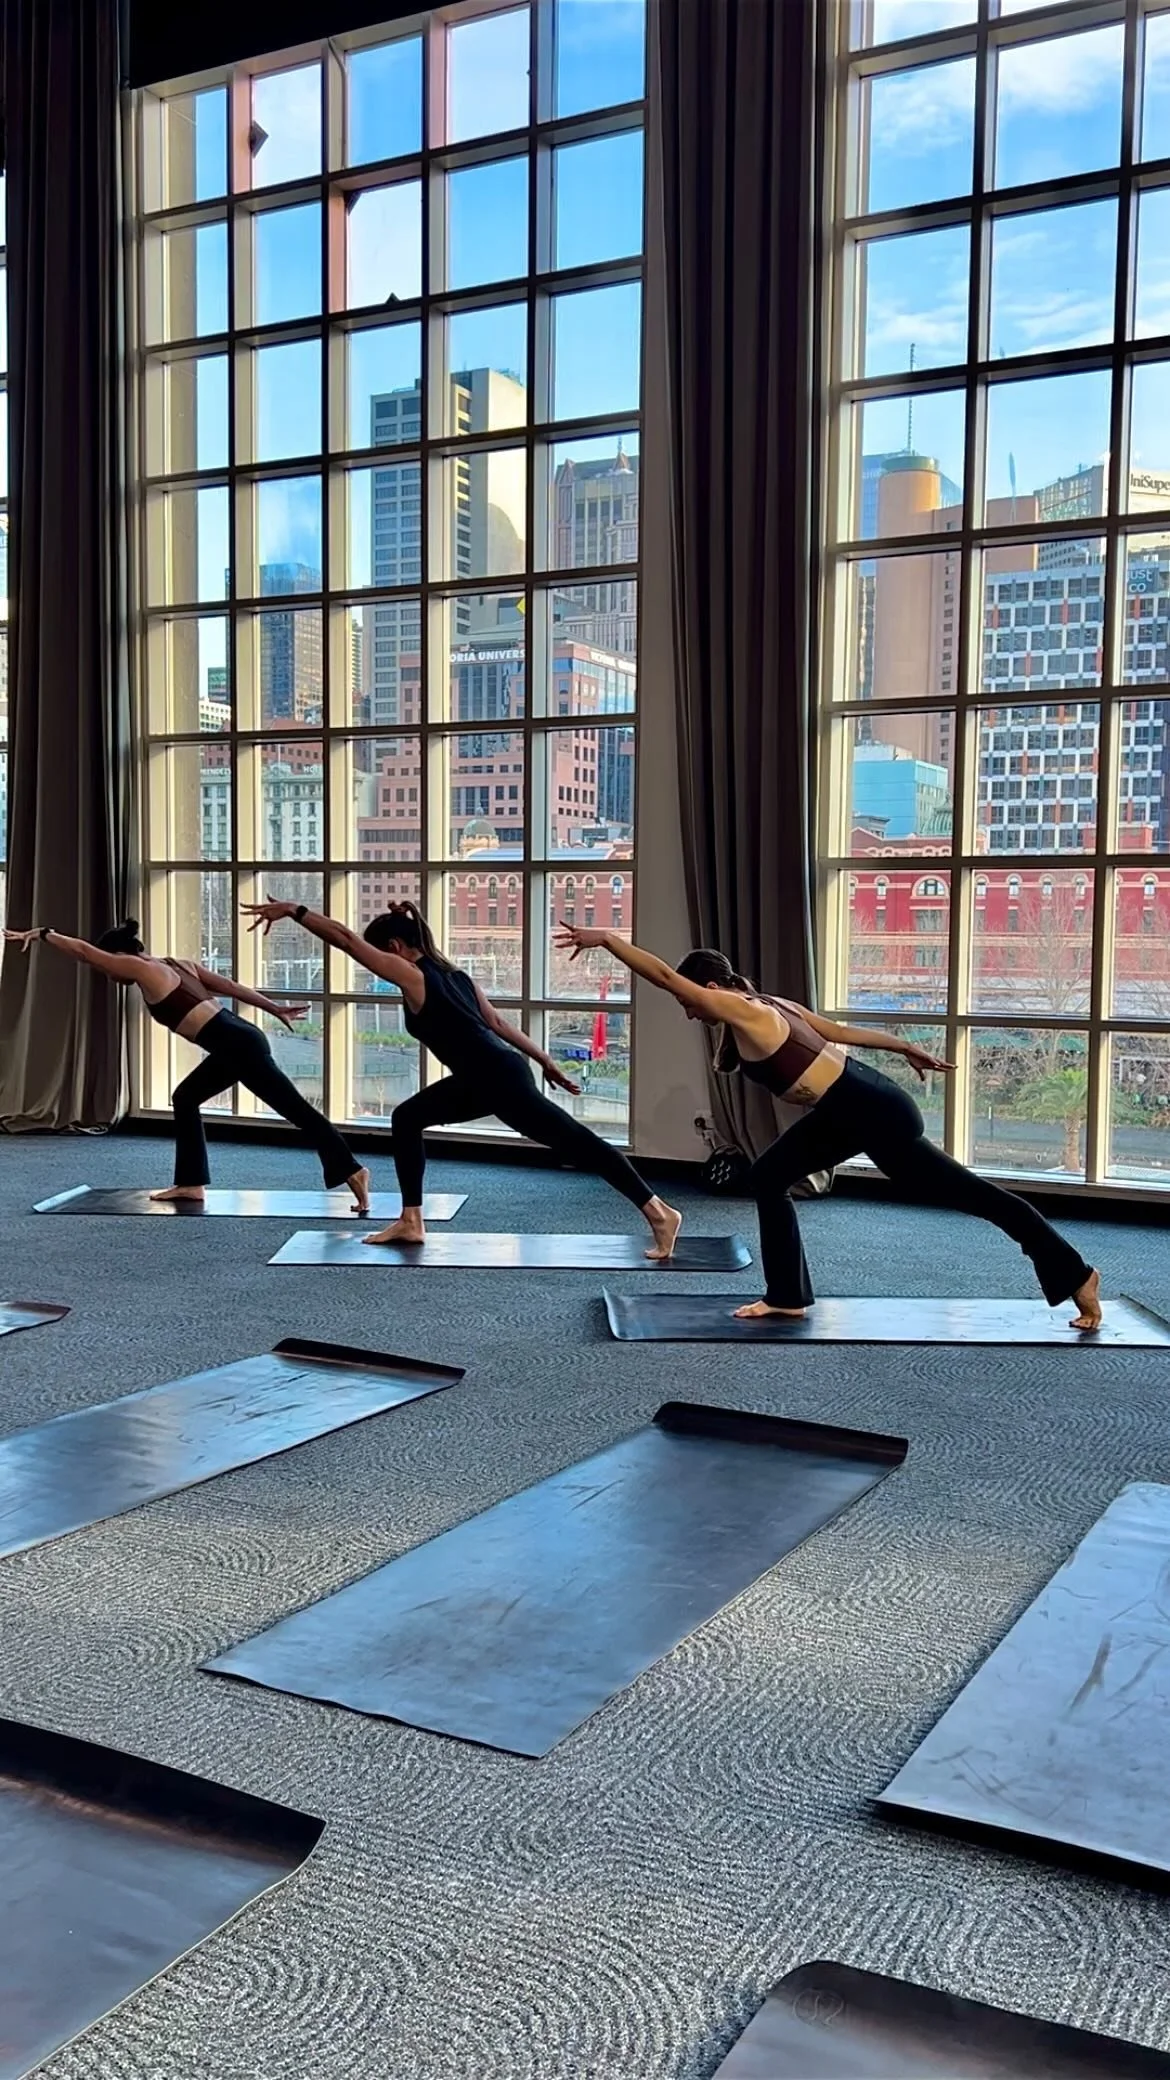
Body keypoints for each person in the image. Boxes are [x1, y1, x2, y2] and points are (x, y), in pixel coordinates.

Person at [553, 924, 1103, 1332]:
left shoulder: (743, 1009)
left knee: (972, 1196)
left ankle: (1076, 1275)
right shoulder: (770, 1003)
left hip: (872, 1112)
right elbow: (839, 1030)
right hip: (852, 1106)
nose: (688, 1010)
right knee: (768, 1178)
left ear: (712, 986)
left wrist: (607, 941)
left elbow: (665, 975)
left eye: (689, 1000)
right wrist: (905, 1046)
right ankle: (787, 1295)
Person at [242, 895, 682, 1257]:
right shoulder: (457, 976)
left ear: (395, 947)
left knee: (578, 1144)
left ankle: (659, 1212)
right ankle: (411, 1220)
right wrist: (545, 1060)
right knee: (407, 1118)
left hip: (495, 1078)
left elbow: (344, 939)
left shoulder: (412, 976)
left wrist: (296, 912)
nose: (376, 962)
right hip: (492, 1074)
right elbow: (500, 1026)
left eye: (381, 954)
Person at [2, 920, 370, 1211]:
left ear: (119, 954)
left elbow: (84, 953)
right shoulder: (177, 964)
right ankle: (191, 1184)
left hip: (234, 1043)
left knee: (295, 1110)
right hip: (237, 1037)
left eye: (109, 963)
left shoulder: (141, 968)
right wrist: (272, 1008)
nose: (109, 973)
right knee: (186, 1097)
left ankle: (353, 1170)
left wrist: (43, 934)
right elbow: (229, 986)